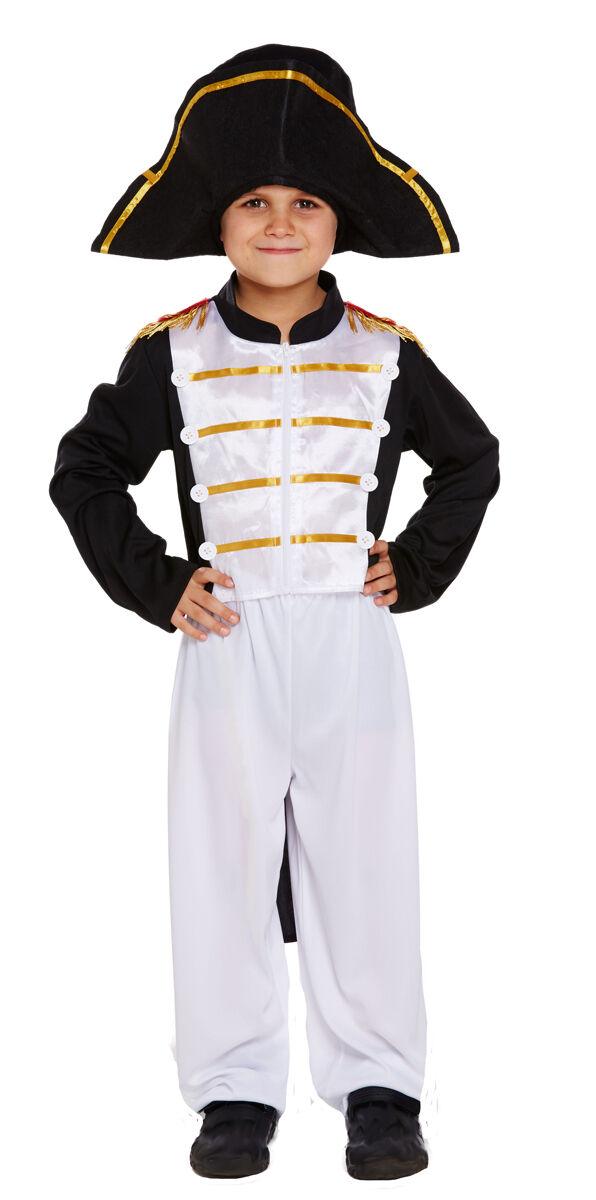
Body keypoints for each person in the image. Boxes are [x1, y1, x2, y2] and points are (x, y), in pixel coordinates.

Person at [49, 44, 500, 1181]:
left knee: (365, 857)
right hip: (230, 638)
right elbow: (83, 470)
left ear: (339, 221)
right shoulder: (174, 351)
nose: (281, 223)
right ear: (220, 220)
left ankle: (381, 1086)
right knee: (219, 861)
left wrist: (416, 565)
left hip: (351, 640)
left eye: (305, 202)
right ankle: (234, 1090)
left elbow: (473, 462)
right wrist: (159, 581)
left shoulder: (386, 353)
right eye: (255, 201)